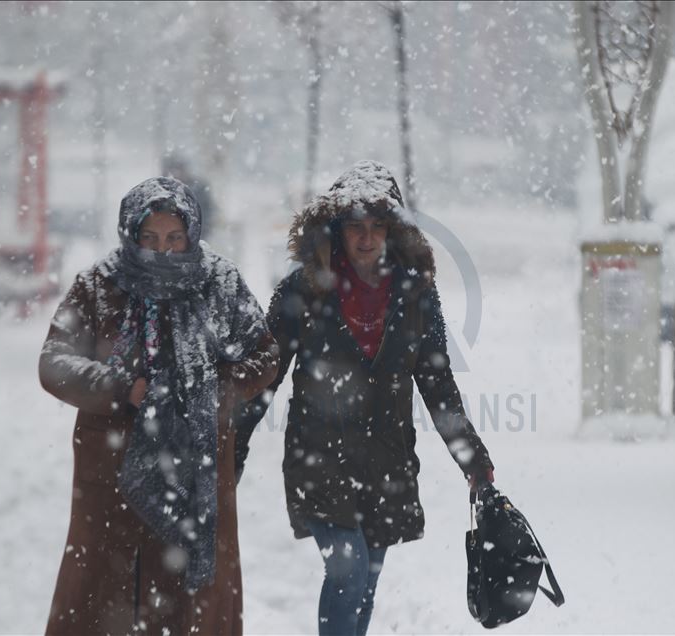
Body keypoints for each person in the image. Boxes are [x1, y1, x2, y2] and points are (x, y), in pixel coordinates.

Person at [234, 160, 495, 636]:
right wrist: (232, 446)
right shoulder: (302, 290)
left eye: (378, 227)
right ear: (336, 229)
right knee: (347, 569)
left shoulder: (417, 295)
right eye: (356, 226)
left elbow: (438, 386)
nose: (367, 239)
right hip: (318, 457)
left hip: (386, 459)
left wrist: (474, 461)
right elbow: (263, 377)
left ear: (394, 233)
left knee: (366, 580)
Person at [39, 176, 277, 635]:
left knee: (188, 599)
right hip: (113, 471)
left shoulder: (220, 282)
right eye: (149, 238)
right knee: (106, 596)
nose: (162, 250)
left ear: (191, 233)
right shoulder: (100, 284)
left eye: (174, 237)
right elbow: (53, 362)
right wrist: (117, 388)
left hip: (196, 470)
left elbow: (264, 353)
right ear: (130, 234)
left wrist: (217, 387)